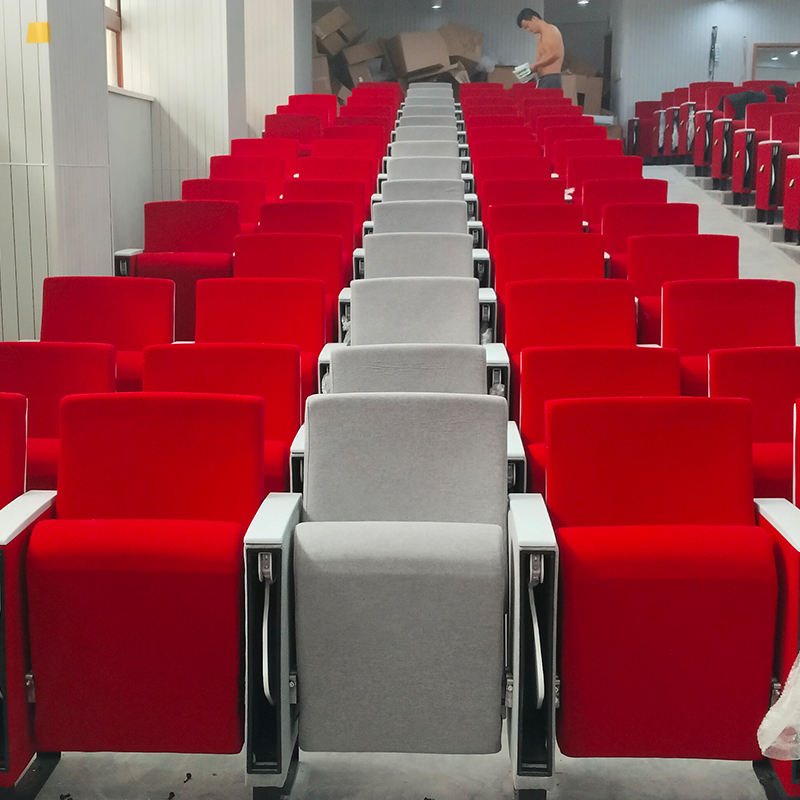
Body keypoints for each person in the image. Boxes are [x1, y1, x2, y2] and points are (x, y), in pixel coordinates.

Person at [515, 8, 564, 89]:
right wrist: (529, 70)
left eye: (527, 26)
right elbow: (543, 59)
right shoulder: (540, 37)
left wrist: (534, 65)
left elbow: (555, 54)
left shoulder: (550, 30)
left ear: (534, 19)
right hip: (544, 79)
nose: (528, 30)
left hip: (551, 79)